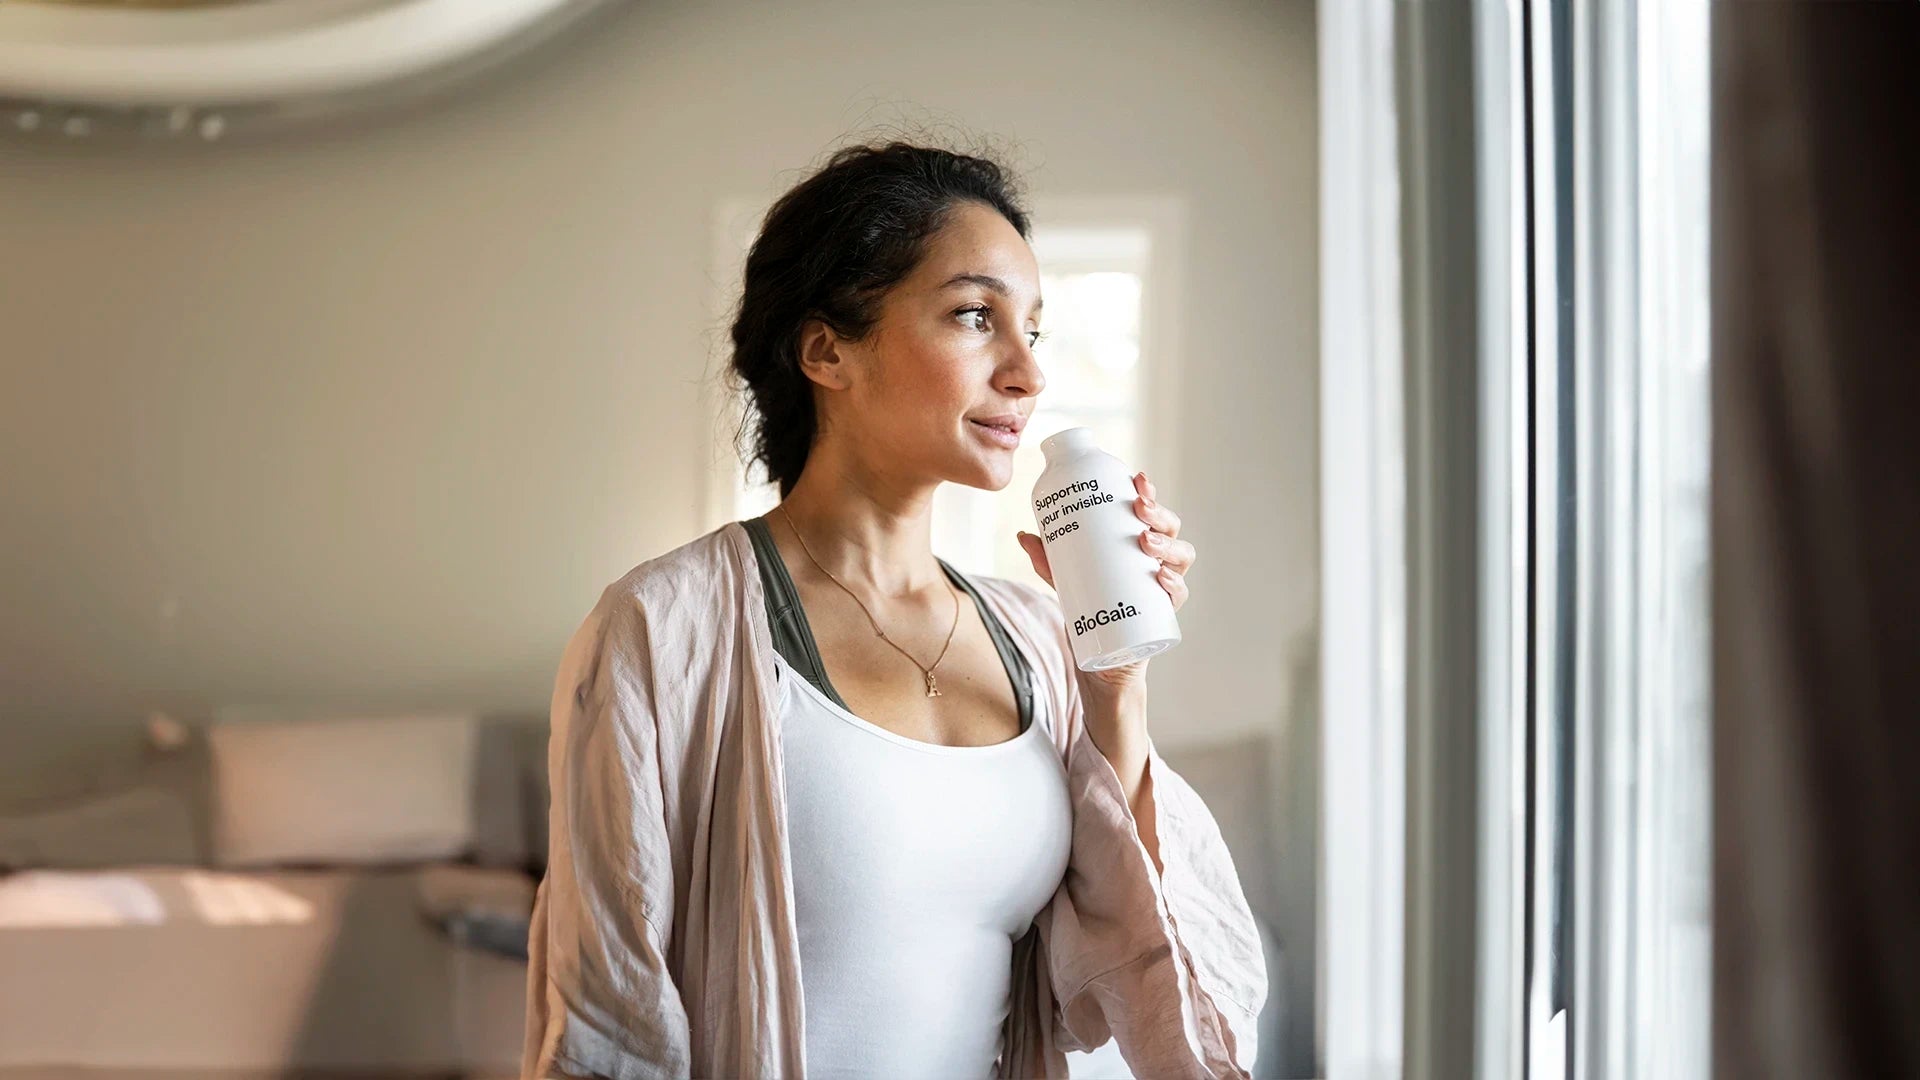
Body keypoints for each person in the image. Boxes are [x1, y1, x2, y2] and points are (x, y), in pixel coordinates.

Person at [521, 139, 1266, 1079]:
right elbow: (607, 1020)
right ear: (827, 349)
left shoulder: (1035, 631)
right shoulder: (664, 628)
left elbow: (1133, 962)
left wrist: (1115, 681)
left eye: (1031, 329)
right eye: (972, 315)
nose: (1027, 373)